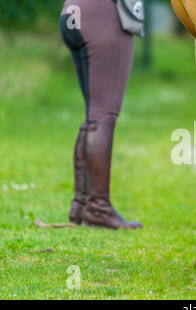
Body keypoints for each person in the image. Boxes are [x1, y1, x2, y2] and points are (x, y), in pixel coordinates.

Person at [59, 0, 142, 229]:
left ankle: (82, 204)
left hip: (71, 12)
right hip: (102, 15)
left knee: (93, 113)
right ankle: (98, 208)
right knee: (103, 114)